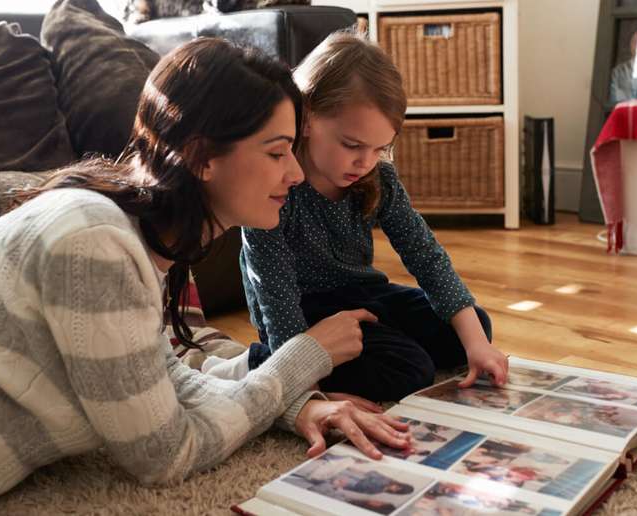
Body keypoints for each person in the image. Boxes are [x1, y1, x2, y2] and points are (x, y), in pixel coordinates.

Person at [0, 38, 412, 515]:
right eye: (277, 153)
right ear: (203, 156)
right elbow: (164, 453)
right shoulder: (93, 244)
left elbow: (166, 381)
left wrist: (296, 403)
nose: (296, 174)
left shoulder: (125, 236)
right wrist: (304, 356)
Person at [208, 31, 508, 401]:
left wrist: (476, 343)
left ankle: (385, 347)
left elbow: (424, 254)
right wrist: (300, 379)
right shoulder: (275, 184)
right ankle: (259, 362)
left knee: (472, 325)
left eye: (379, 149)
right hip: (303, 309)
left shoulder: (376, 177)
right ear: (307, 117)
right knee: (411, 370)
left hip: (364, 293)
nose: (364, 162)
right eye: (352, 145)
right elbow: (274, 293)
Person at [609, 29, 637, 105]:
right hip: (627, 114)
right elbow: (616, 98)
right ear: (630, 45)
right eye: (635, 42)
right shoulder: (618, 71)